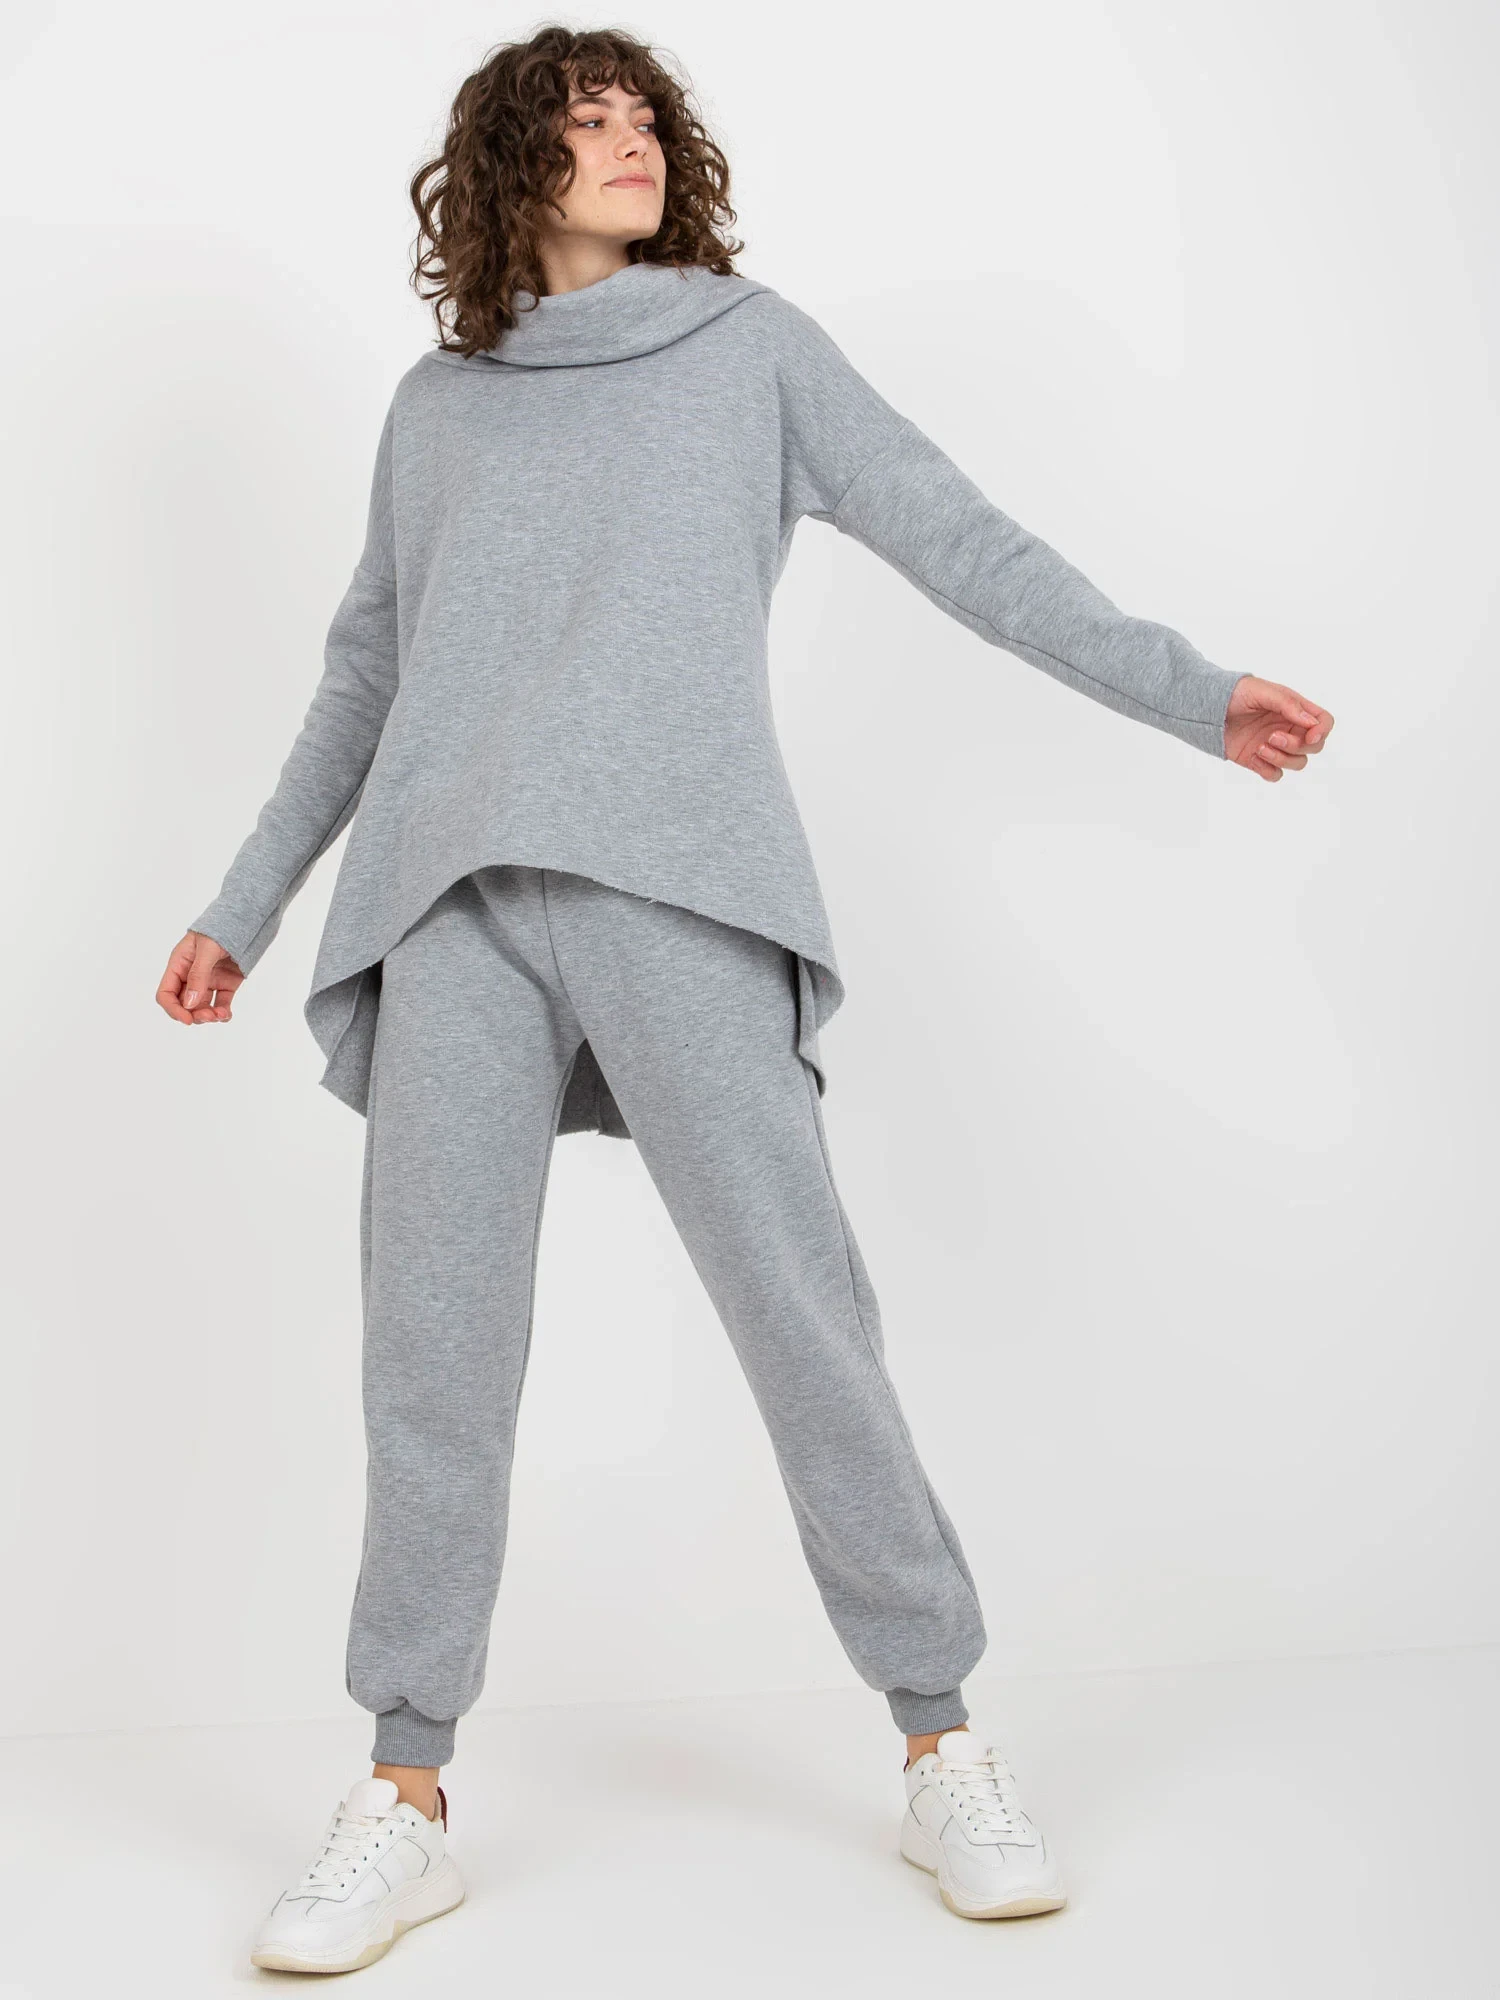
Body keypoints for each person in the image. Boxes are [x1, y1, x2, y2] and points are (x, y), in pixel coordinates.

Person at [157, 25, 1333, 1975]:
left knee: (804, 1321)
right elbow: (366, 671)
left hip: (686, 889)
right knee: (432, 1366)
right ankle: (403, 1797)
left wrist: (1188, 691)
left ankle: (941, 1741)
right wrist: (242, 902)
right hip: (447, 910)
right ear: (511, 165)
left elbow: (961, 539)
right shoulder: (437, 409)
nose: (626, 139)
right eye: (584, 119)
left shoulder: (752, 353)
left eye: (644, 116)